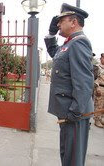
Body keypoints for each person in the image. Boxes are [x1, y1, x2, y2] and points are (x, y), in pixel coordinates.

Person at [44, 3, 93, 166]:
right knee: (67, 155)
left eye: (61, 20)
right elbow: (55, 53)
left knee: (73, 159)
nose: (58, 24)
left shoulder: (79, 43)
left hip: (75, 113)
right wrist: (51, 34)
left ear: (74, 22)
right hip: (69, 112)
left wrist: (75, 111)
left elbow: (84, 82)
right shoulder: (68, 44)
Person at [93, 53, 104, 128]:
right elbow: (94, 78)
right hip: (100, 87)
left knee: (103, 106)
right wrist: (96, 88)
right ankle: (96, 119)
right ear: (101, 58)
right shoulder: (97, 67)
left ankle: (101, 119)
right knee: (98, 105)